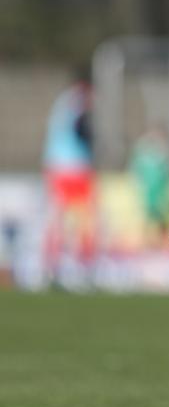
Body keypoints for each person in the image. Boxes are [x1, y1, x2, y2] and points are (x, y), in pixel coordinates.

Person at [43, 68, 97, 287]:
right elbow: (80, 128)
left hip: (56, 166)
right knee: (84, 218)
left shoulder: (62, 101)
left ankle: (52, 268)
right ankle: (84, 270)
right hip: (75, 167)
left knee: (58, 218)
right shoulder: (79, 99)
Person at [129, 126, 169, 248]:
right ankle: (148, 243)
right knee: (149, 218)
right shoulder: (145, 152)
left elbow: (168, 173)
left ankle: (163, 243)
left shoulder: (162, 153)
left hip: (160, 192)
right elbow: (137, 170)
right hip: (150, 192)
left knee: (161, 219)